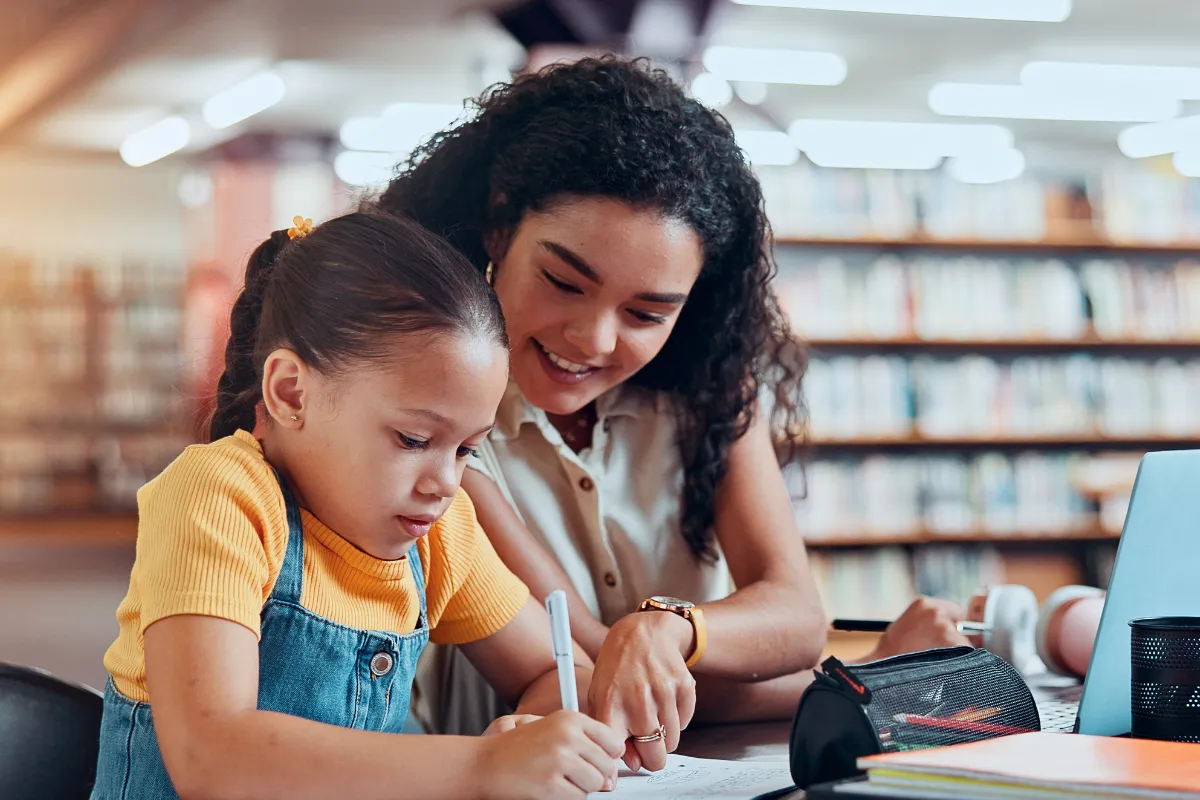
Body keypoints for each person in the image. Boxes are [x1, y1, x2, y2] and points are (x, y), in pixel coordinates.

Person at [377, 56, 969, 768]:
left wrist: (671, 627)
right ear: (498, 225)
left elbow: (795, 615)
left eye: (647, 313)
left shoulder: (709, 391)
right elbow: (601, 669)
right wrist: (862, 673)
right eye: (564, 282)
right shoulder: (442, 417)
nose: (594, 340)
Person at [90, 211, 628, 800]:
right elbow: (211, 756)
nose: (444, 483)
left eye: (467, 450)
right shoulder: (219, 495)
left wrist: (538, 736)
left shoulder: (440, 532)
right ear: (291, 392)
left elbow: (559, 670)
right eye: (413, 440)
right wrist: (482, 763)